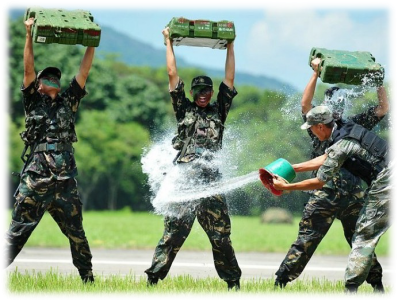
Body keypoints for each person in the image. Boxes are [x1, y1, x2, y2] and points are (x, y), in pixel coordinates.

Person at [274, 58, 390, 293]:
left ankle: (376, 284)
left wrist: (379, 81)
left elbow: (383, 108)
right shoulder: (317, 125)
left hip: (352, 195)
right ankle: (281, 282)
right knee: (307, 239)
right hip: (324, 194)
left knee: (360, 240)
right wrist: (315, 73)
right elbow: (305, 104)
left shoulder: (352, 125)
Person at [144, 27, 242, 291]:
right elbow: (172, 75)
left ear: (210, 93)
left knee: (221, 236)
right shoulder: (183, 109)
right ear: (192, 92)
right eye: (197, 90)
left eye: (205, 90)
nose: (201, 94)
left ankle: (233, 283)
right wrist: (168, 42)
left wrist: (230, 46)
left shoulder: (219, 110)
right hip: (185, 181)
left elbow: (229, 79)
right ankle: (153, 278)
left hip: (211, 183)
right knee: (174, 233)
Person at [1, 17, 95, 283]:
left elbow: (84, 72)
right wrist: (29, 34)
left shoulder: (69, 102)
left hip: (64, 182)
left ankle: (87, 279)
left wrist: (92, 43)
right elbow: (28, 68)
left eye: (56, 76)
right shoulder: (33, 101)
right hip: (37, 180)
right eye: (47, 77)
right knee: (16, 233)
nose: (52, 79)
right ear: (40, 84)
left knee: (77, 233)